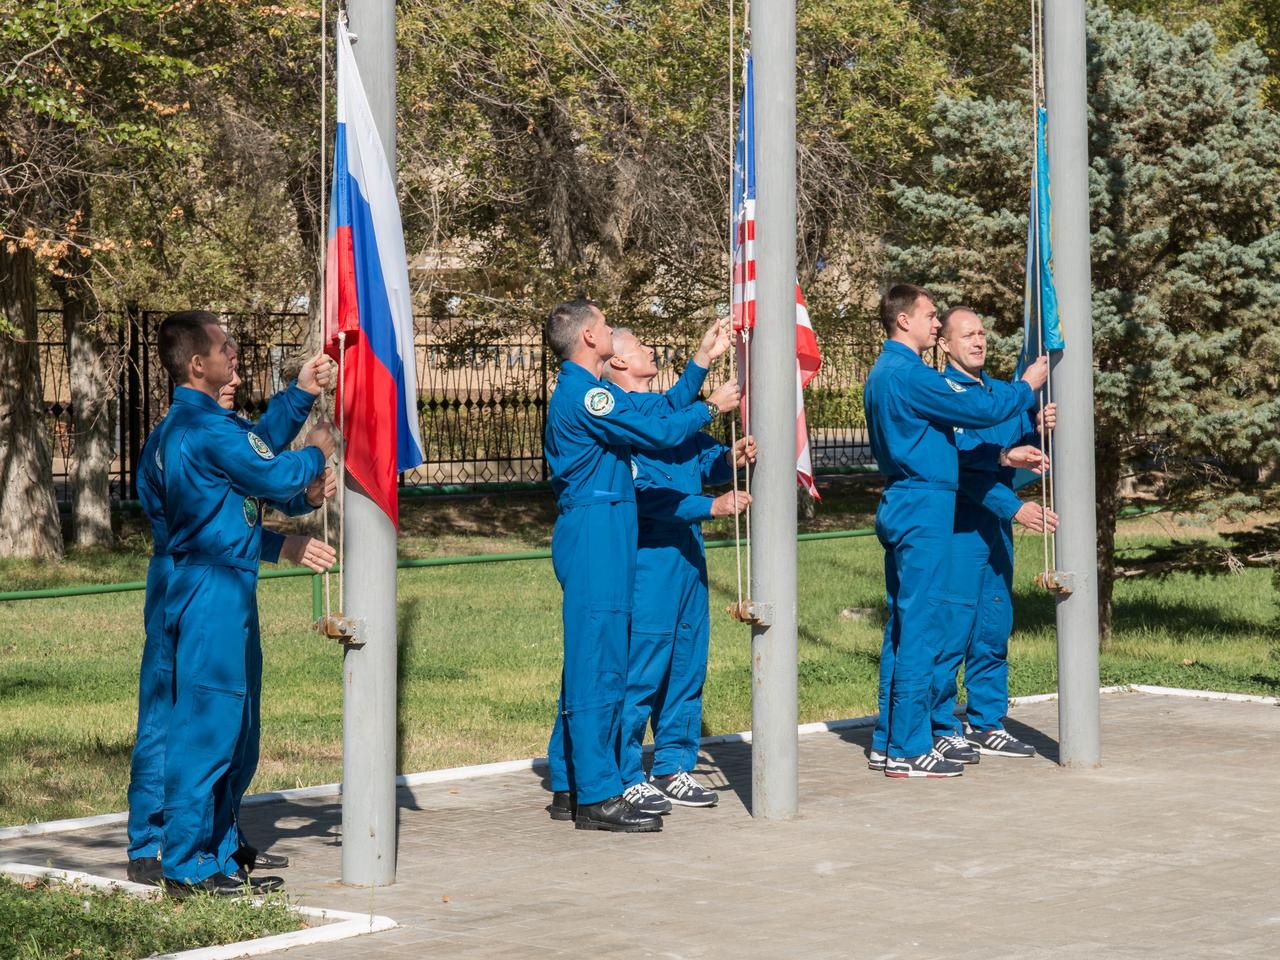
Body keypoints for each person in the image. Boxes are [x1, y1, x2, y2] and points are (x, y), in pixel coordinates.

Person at [126, 341, 337, 886]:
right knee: (184, 717)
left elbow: (249, 464)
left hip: (218, 577)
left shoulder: (209, 431)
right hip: (194, 580)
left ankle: (217, 843)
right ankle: (164, 846)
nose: (238, 375)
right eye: (230, 359)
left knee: (231, 722)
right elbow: (251, 475)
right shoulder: (187, 432)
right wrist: (313, 452)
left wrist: (299, 398)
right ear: (198, 367)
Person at [542, 299, 740, 832]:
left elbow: (656, 413)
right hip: (596, 531)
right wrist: (711, 408)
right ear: (588, 338)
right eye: (604, 326)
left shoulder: (592, 391)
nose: (611, 332)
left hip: (606, 526)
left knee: (597, 657)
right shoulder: (587, 394)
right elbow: (661, 431)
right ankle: (599, 796)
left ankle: (572, 784)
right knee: (600, 663)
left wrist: (701, 361)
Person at [864, 284, 1048, 779]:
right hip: (923, 502)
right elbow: (980, 412)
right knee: (923, 628)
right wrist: (1027, 386)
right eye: (929, 316)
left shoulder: (887, 372)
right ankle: (908, 745)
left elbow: (957, 438)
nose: (934, 323)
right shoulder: (908, 372)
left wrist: (1007, 450)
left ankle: (888, 740)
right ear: (905, 322)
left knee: (905, 627)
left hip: (911, 498)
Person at [602, 323, 755, 815]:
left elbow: (700, 452)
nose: (651, 349)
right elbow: (645, 496)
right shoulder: (624, 417)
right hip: (652, 557)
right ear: (620, 363)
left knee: (687, 661)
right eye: (641, 346)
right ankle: (626, 771)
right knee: (644, 664)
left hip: (689, 557)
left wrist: (730, 456)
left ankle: (672, 764)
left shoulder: (668, 411)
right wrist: (711, 508)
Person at [929, 305, 1059, 762]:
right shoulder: (943, 394)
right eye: (968, 335)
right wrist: (1015, 507)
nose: (979, 341)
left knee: (993, 626)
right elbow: (963, 466)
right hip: (959, 527)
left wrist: (1040, 431)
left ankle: (987, 720)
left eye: (982, 333)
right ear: (944, 344)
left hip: (995, 530)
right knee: (953, 628)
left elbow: (1020, 452)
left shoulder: (1002, 394)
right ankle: (940, 723)